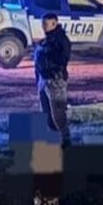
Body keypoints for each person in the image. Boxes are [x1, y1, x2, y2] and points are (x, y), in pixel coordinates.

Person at [33, 13, 72, 147]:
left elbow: (62, 59)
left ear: (54, 23)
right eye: (42, 23)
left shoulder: (61, 40)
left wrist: (47, 53)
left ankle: (65, 138)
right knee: (46, 112)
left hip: (55, 79)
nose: (43, 26)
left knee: (58, 111)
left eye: (46, 23)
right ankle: (53, 137)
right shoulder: (46, 41)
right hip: (43, 79)